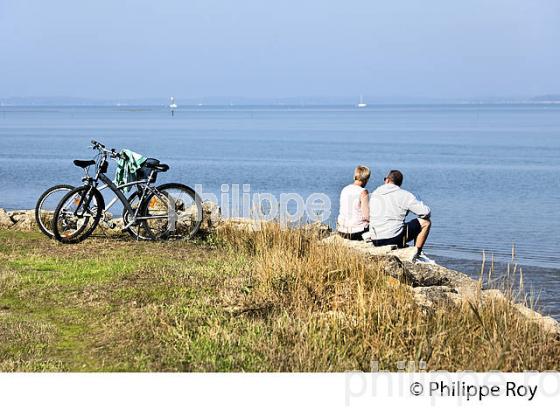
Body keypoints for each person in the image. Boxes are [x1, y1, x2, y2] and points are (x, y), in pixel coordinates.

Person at [368, 170, 434, 263]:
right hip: (393, 238)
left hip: (375, 238)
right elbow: (425, 212)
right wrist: (419, 203)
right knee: (426, 222)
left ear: (386, 180)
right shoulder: (405, 195)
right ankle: (417, 253)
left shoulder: (374, 193)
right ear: (400, 183)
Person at [337, 165, 371, 240]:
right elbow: (366, 216)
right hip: (356, 232)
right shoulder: (363, 192)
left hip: (342, 231)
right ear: (366, 179)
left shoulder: (345, 189)